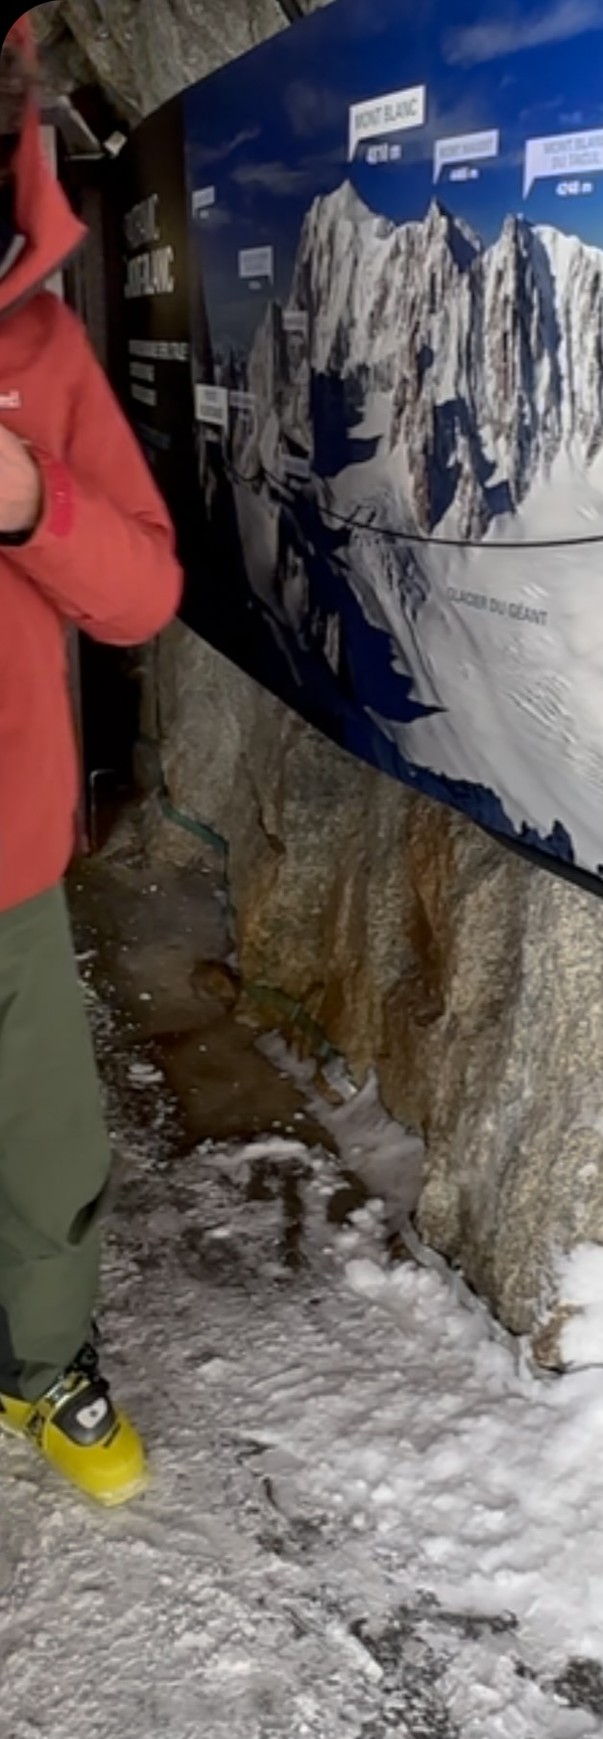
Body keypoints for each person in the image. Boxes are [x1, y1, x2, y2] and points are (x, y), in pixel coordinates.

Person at [0, 19, 183, 1505]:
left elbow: (141, 592)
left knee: (40, 1142)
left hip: (3, 861)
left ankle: (41, 1364)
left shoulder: (42, 351)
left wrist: (24, 499)